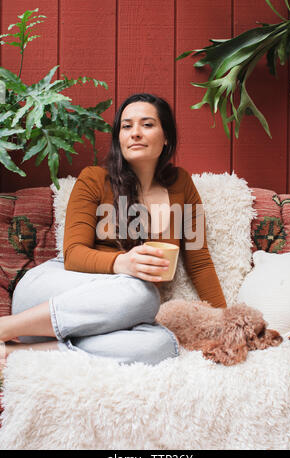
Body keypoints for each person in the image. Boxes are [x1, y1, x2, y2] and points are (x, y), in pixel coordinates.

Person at [0, 93, 231, 367]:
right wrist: (123, 263)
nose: (135, 133)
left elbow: (200, 261)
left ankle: (18, 354)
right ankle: (6, 327)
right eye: (126, 126)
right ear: (118, 138)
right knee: (143, 294)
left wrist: (226, 322)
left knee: (161, 346)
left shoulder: (181, 184)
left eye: (147, 125)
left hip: (106, 317)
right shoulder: (94, 179)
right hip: (53, 288)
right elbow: (73, 253)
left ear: (166, 136)